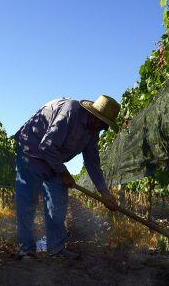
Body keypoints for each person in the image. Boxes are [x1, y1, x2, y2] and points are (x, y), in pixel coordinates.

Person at [14, 95, 120, 260]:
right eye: (103, 124)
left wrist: (104, 192)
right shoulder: (70, 112)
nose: (103, 129)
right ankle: (26, 250)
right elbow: (46, 145)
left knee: (58, 204)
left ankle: (56, 250)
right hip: (31, 152)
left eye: (106, 126)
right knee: (28, 202)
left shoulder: (93, 131)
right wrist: (63, 173)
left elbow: (92, 162)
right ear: (95, 116)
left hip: (53, 160)